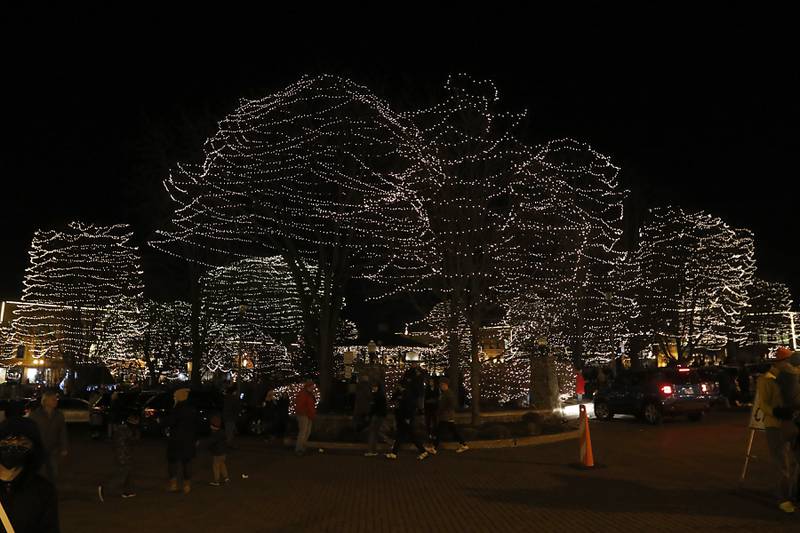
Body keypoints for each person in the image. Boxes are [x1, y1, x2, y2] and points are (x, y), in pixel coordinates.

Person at [756, 347, 799, 513]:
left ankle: (793, 494)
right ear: (781, 362)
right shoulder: (767, 379)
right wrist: (776, 412)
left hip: (792, 423)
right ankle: (784, 498)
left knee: (793, 462)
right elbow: (763, 404)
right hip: (775, 425)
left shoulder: (793, 376)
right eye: (789, 360)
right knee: (782, 463)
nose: (792, 364)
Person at [0, 416, 60, 533]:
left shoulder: (43, 491)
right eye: (6, 442)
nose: (13, 448)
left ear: (33, 449)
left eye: (22, 444)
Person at [98, 410, 139, 502]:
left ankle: (127, 491)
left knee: (128, 473)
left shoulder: (121, 429)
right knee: (122, 475)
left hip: (121, 454)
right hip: (123, 455)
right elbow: (131, 441)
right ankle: (105, 488)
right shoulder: (127, 432)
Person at [29, 391, 68, 486]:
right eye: (53, 400)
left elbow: (62, 432)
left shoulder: (59, 415)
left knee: (53, 472)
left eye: (56, 399)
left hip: (52, 447)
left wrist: (64, 447)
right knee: (39, 472)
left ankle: (51, 490)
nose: (56, 402)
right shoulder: (35, 415)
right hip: (38, 448)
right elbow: (30, 431)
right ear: (45, 401)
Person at [166, 388, 199, 494]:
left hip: (176, 440)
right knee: (187, 463)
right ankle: (187, 486)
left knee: (173, 462)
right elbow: (195, 425)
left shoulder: (176, 409)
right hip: (188, 440)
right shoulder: (191, 409)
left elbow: (171, 422)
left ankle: (173, 485)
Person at [386, 383, 431, 461]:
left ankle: (423, 451)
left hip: (405, 419)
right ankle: (394, 453)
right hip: (403, 418)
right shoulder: (403, 394)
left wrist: (408, 417)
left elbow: (409, 407)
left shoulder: (407, 395)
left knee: (410, 436)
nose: (398, 387)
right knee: (403, 436)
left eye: (399, 386)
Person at [430, 378, 468, 454]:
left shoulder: (448, 394)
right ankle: (463, 444)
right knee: (452, 431)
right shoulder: (445, 393)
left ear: (445, 385)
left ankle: (434, 448)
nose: (440, 386)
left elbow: (451, 404)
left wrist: (443, 410)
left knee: (439, 432)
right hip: (446, 416)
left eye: (441, 385)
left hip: (446, 416)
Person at [365, 383, 391, 457]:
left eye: (375, 387)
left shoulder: (377, 396)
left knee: (373, 433)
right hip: (378, 416)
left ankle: (371, 450)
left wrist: (371, 415)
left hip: (377, 416)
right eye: (373, 386)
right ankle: (389, 442)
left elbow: (374, 408)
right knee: (376, 432)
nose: (373, 388)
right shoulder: (379, 395)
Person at [294, 381, 316, 456]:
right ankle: (299, 448)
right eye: (312, 386)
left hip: (308, 415)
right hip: (304, 415)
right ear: (308, 386)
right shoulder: (304, 394)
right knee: (303, 432)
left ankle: (302, 447)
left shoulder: (309, 394)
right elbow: (300, 405)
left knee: (306, 432)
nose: (313, 388)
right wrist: (306, 412)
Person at [207, 415, 229, 487]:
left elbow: (211, 443)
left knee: (216, 467)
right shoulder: (222, 432)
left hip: (217, 453)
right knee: (222, 465)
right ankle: (226, 477)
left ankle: (216, 480)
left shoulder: (214, 434)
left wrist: (208, 447)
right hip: (223, 453)